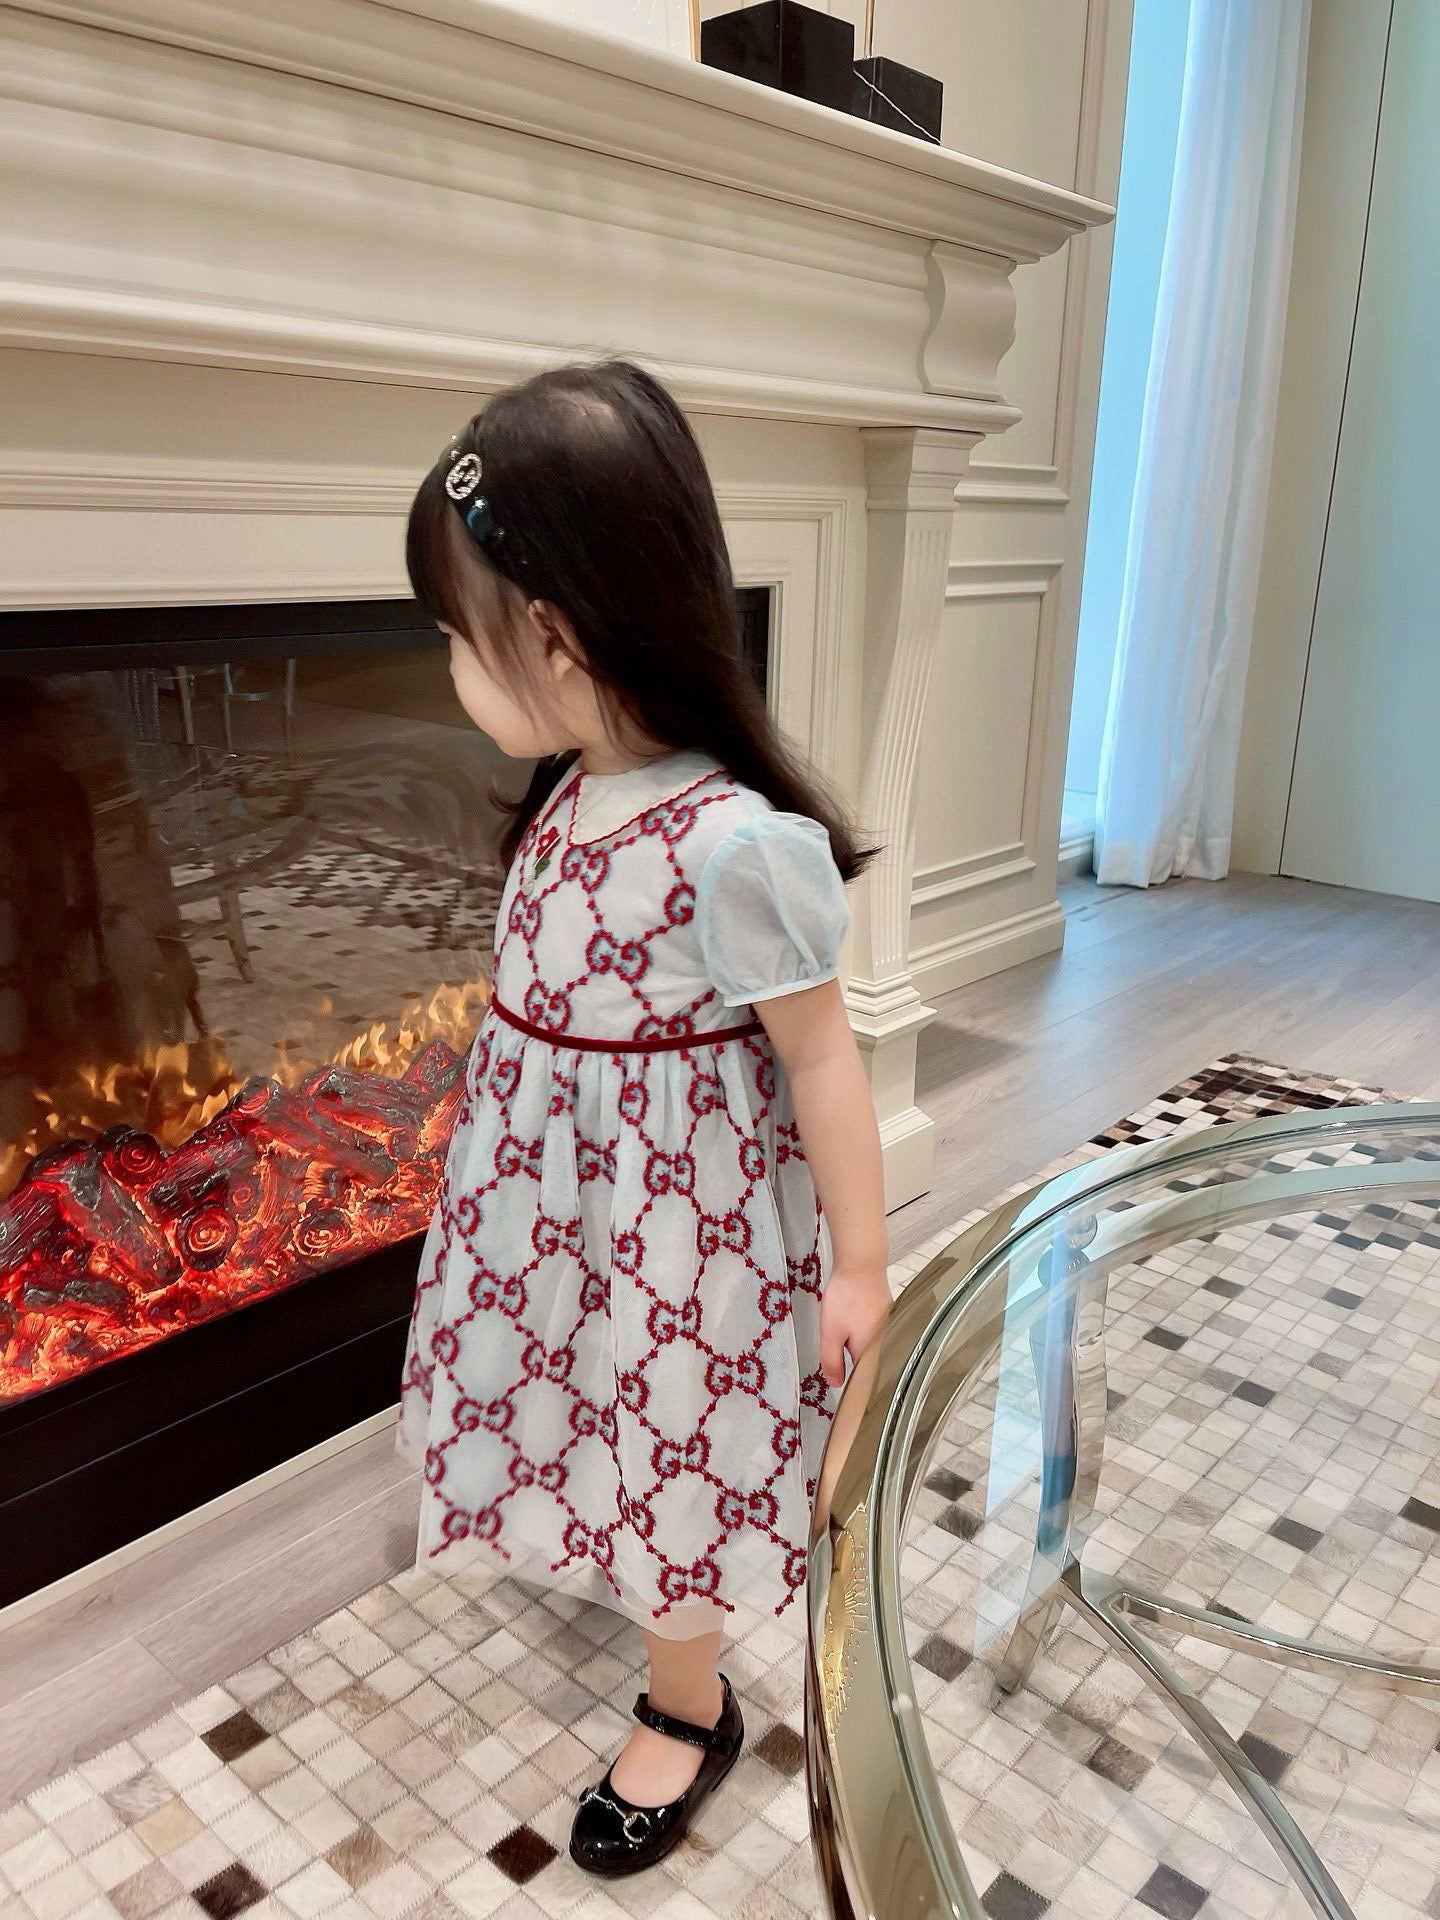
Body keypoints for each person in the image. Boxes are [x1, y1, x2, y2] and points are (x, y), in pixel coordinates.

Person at [395, 357, 891, 1876]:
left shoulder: (733, 847)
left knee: (672, 1443)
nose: (449, 666)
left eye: (457, 637)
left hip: (676, 1244)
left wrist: (860, 1266)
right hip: (550, 1220)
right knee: (577, 1412)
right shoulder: (567, 790)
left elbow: (824, 1059)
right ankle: (598, 1548)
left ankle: (690, 1701)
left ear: (555, 636)